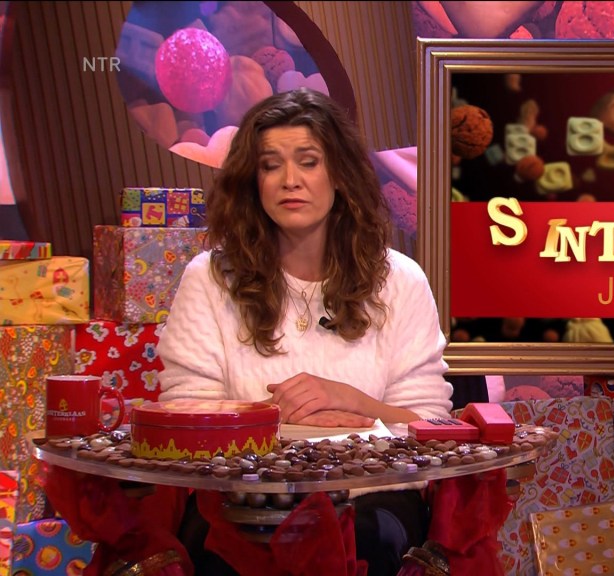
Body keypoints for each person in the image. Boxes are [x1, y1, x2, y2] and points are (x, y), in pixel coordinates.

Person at [156, 87, 454, 576]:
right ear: (253, 181)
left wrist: (351, 402)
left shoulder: (400, 280)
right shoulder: (209, 279)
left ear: (339, 173)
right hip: (242, 499)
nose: (289, 180)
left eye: (309, 162)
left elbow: (429, 428)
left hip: (369, 498)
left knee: (369, 537)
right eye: (270, 165)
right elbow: (186, 417)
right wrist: (279, 420)